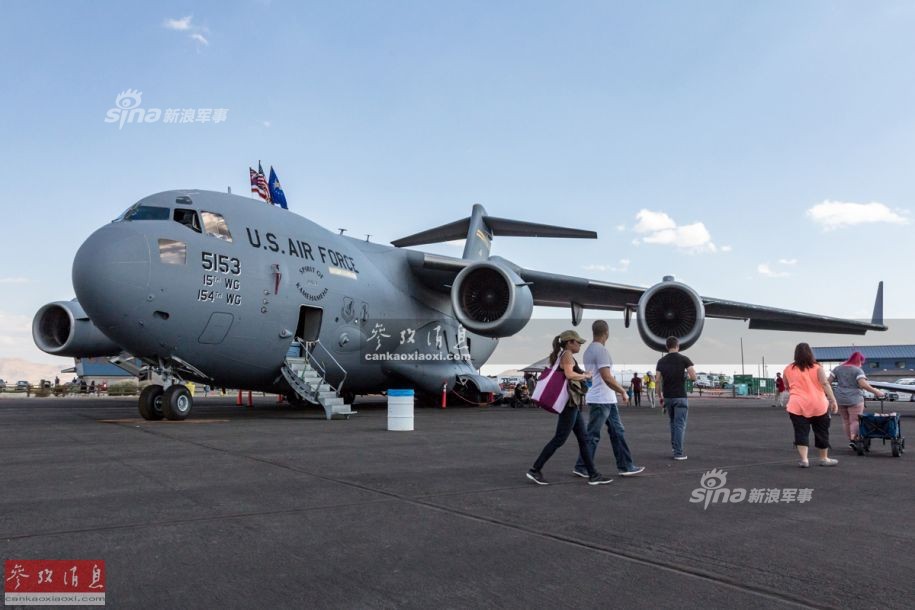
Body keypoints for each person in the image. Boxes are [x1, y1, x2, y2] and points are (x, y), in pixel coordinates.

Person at [527, 330, 613, 486]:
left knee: (584, 439)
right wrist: (585, 376)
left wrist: (583, 373)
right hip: (569, 404)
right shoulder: (566, 354)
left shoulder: (565, 355)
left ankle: (593, 474)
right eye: (577, 342)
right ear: (569, 342)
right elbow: (569, 374)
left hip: (572, 404)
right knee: (560, 439)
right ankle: (535, 469)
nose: (579, 345)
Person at [572, 320, 645, 477]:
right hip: (601, 399)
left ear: (594, 332)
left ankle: (625, 466)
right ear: (607, 333)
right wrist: (623, 391)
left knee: (617, 431)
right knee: (593, 434)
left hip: (605, 399)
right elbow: (607, 377)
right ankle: (581, 465)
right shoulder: (601, 351)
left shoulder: (589, 350)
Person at [783, 342, 839, 467]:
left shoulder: (788, 368)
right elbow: (825, 384)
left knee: (801, 432)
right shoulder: (817, 368)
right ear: (810, 353)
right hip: (818, 404)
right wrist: (833, 400)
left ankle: (804, 460)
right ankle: (824, 458)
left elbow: (786, 385)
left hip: (797, 405)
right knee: (822, 431)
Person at [828, 351, 884, 450]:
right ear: (859, 361)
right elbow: (863, 384)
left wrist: (830, 394)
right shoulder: (858, 370)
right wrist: (876, 392)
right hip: (854, 398)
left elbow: (828, 382)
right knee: (854, 421)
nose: (861, 365)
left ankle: (851, 440)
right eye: (862, 363)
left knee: (845, 421)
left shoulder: (837, 368)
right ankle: (855, 440)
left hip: (840, 398)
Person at [656, 336, 697, 460]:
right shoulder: (684, 359)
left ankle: (675, 447)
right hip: (680, 396)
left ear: (667, 347)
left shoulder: (661, 361)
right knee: (680, 424)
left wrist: (660, 396)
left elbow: (657, 381)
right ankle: (678, 453)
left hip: (668, 397)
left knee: (673, 423)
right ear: (678, 346)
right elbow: (694, 376)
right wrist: (685, 378)